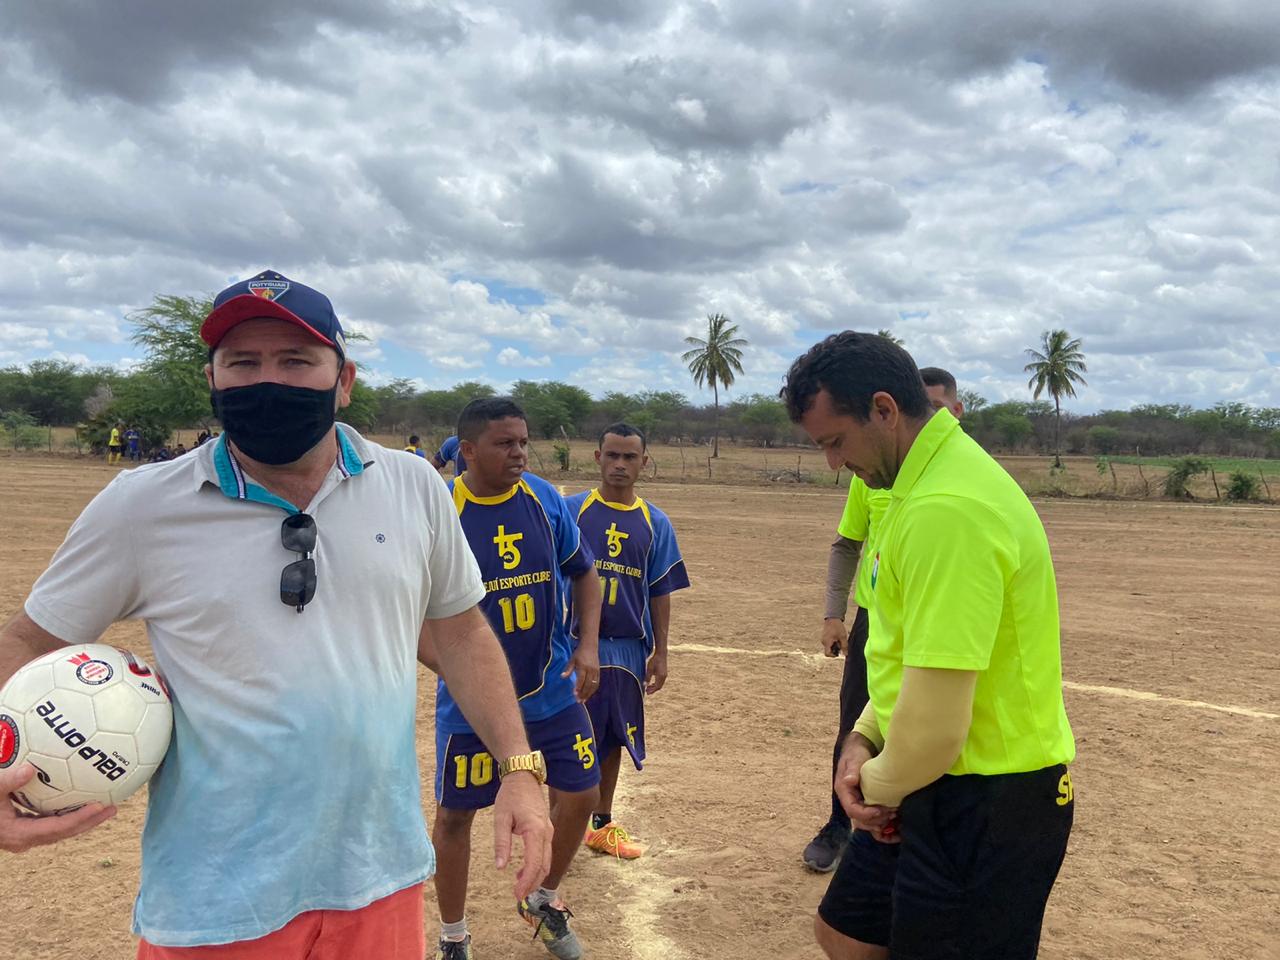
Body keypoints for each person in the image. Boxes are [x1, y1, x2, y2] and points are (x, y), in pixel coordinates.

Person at [0, 270, 553, 960]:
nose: (269, 381)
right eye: (243, 362)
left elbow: (462, 632)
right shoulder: (140, 505)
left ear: (342, 379)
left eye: (296, 360)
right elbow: (26, 640)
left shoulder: (414, 487)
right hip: (216, 898)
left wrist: (521, 767)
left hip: (379, 876)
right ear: (213, 378)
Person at [781, 332, 1075, 960]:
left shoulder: (949, 508)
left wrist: (871, 788)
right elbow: (898, 652)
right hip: (927, 781)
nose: (834, 463)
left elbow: (937, 730)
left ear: (884, 410)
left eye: (836, 441)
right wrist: (862, 739)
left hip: (987, 799)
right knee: (846, 934)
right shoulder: (913, 490)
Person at [431, 397, 603, 960]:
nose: (520, 453)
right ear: (469, 450)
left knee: (581, 796)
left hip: (549, 691)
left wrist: (587, 646)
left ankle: (544, 901)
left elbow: (587, 576)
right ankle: (454, 938)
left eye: (524, 441)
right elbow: (412, 618)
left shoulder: (546, 500)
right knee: (456, 818)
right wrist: (461, 672)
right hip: (470, 708)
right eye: (506, 443)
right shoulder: (440, 512)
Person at [802, 368, 966, 872]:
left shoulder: (953, 495)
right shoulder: (870, 472)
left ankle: (910, 826)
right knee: (857, 725)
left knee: (930, 720)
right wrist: (835, 614)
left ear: (955, 414)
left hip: (929, 618)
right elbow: (846, 544)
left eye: (939, 409)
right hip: (877, 621)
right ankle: (839, 824)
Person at [563, 423, 690, 861]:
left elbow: (659, 589)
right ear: (597, 457)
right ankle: (555, 828)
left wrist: (662, 651)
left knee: (615, 735)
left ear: (644, 463)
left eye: (629, 457)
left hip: (627, 648)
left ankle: (601, 824)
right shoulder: (571, 511)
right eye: (612, 455)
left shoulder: (656, 522)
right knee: (567, 734)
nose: (620, 465)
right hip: (573, 645)